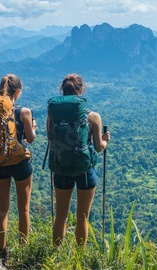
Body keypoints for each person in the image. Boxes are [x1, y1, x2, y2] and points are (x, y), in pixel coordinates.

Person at [48, 73, 110, 247]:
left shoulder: (52, 116)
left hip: (61, 169)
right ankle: (79, 257)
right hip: (84, 171)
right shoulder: (93, 117)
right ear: (81, 90)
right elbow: (98, 148)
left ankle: (55, 256)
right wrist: (105, 140)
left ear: (62, 91)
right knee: (83, 217)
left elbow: (51, 142)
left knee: (61, 216)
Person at [0, 74, 36, 260]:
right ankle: (23, 249)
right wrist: (32, 127)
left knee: (2, 210)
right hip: (20, 163)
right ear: (17, 91)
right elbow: (30, 139)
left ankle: (2, 251)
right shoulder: (23, 112)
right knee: (23, 209)